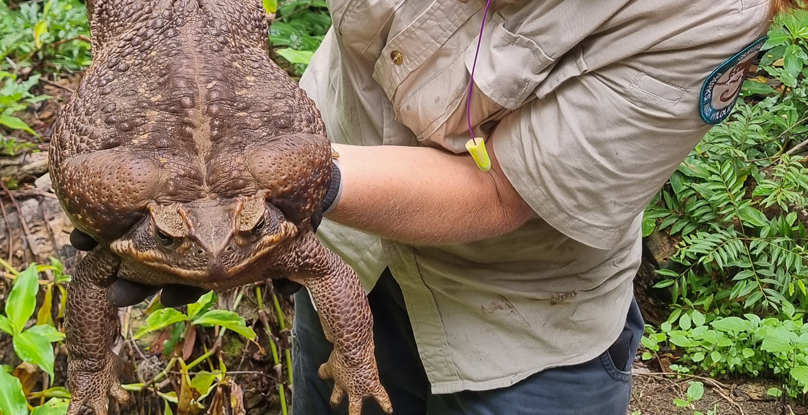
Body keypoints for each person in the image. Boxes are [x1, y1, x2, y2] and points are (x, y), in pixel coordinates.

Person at [69, 0, 793, 413]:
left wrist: (281, 193)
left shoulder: (704, 13)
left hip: (515, 322)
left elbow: (503, 191)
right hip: (338, 240)